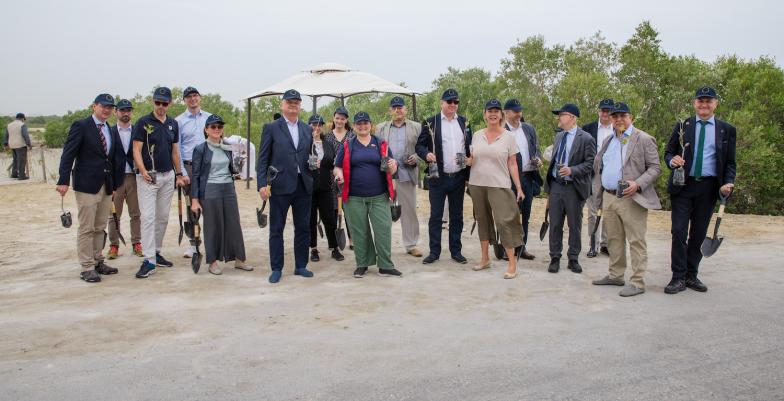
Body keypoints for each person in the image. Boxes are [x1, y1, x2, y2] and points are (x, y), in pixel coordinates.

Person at [663, 86, 736, 294]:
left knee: (699, 233)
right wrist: (672, 160)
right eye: (700, 100)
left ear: (715, 104)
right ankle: (677, 277)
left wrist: (728, 181)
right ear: (695, 103)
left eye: (708, 101)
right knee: (678, 231)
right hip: (683, 186)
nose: (704, 104)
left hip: (709, 188)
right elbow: (668, 152)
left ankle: (691, 274)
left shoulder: (727, 130)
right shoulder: (682, 125)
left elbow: (730, 162)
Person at [590, 102, 662, 297]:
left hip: (632, 197)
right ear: (611, 119)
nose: (619, 119)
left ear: (631, 117)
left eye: (623, 116)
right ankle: (616, 275)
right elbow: (600, 168)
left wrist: (637, 184)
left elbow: (655, 168)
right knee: (613, 239)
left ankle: (637, 282)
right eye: (615, 116)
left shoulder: (644, 139)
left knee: (636, 240)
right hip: (609, 196)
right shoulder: (608, 140)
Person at [55, 94, 124, 282]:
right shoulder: (81, 126)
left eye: (110, 107)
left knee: (100, 226)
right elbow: (68, 154)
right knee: (87, 227)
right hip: (86, 184)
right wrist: (63, 180)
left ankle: (98, 259)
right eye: (103, 106)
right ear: (94, 106)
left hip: (106, 184)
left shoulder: (110, 129)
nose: (107, 110)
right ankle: (86, 267)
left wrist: (115, 184)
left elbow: (112, 159)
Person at [334, 111, 401, 278]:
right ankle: (362, 264)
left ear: (370, 125)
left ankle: (385, 265)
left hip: (379, 196)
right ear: (354, 126)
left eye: (365, 123)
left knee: (383, 230)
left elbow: (392, 169)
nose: (362, 126)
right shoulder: (348, 144)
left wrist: (394, 165)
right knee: (359, 231)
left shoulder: (381, 144)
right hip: (354, 197)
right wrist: (339, 174)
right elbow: (337, 166)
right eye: (359, 123)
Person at [257, 89, 314, 284]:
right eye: (289, 102)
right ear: (282, 105)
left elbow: (310, 156)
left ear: (300, 106)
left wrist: (315, 164)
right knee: (276, 229)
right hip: (279, 186)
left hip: (303, 185)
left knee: (303, 227)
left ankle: (300, 265)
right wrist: (261, 184)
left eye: (297, 102)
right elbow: (262, 159)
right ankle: (276, 268)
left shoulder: (307, 129)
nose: (293, 105)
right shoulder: (271, 128)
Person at [131, 87, 187, 278]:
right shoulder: (143, 122)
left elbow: (175, 151)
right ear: (153, 102)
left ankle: (156, 252)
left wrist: (179, 173)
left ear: (169, 103)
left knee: (162, 217)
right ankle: (148, 260)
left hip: (167, 176)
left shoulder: (173, 124)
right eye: (158, 103)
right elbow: (136, 150)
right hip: (148, 177)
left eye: (165, 103)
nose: (161, 106)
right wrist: (143, 170)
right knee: (148, 217)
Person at [467, 99, 525, 279]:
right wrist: (468, 162)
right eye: (489, 111)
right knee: (482, 221)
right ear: (484, 114)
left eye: (496, 111)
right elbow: (473, 159)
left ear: (501, 115)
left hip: (500, 185)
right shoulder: (476, 135)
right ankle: (485, 259)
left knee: (504, 222)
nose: (492, 114)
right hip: (477, 184)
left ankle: (512, 263)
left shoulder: (509, 137)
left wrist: (518, 187)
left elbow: (513, 163)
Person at [190, 114, 253, 275]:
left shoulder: (228, 146)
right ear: (206, 130)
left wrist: (239, 163)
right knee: (213, 226)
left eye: (219, 127)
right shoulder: (200, 149)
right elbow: (195, 176)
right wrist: (195, 200)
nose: (217, 129)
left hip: (228, 188)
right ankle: (213, 262)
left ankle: (239, 259)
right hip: (209, 189)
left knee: (234, 223)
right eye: (213, 127)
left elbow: (233, 169)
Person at [416, 88, 471, 265]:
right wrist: (426, 155)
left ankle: (456, 251)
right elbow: (420, 146)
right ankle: (434, 252)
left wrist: (468, 168)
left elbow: (469, 148)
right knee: (436, 216)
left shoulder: (464, 122)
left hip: (458, 176)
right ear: (442, 103)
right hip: (437, 177)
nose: (453, 105)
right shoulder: (431, 122)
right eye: (449, 102)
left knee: (457, 216)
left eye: (456, 102)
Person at [544, 103, 596, 274]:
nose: (559, 117)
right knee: (555, 224)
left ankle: (573, 258)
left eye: (562, 114)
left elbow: (590, 164)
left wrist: (572, 170)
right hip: (557, 186)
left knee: (575, 225)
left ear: (573, 118)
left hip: (574, 187)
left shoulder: (586, 138)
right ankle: (555, 257)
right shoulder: (559, 136)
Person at [375, 96, 423, 257]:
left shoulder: (416, 127)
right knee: (383, 211)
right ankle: (382, 246)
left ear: (405, 109)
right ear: (390, 110)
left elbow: (423, 148)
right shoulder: (380, 128)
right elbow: (375, 148)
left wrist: (416, 157)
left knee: (409, 211)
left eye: (400, 107)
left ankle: (411, 245)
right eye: (394, 107)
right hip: (386, 175)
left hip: (407, 173)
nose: (398, 110)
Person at [503, 98, 542, 260]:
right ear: (506, 113)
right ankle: (508, 250)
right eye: (515, 111)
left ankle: (522, 247)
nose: (519, 114)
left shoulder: (529, 129)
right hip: (508, 179)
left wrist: (538, 159)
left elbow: (536, 149)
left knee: (525, 214)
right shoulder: (501, 131)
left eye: (520, 111)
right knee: (510, 216)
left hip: (528, 177)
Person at [176, 86, 211, 258]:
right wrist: (181, 173)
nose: (192, 99)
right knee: (192, 208)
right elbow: (176, 149)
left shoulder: (209, 118)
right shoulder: (179, 121)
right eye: (188, 96)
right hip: (189, 166)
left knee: (210, 204)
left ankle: (212, 242)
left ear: (200, 97)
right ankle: (194, 244)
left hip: (208, 166)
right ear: (184, 100)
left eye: (195, 95)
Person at [107, 99, 143, 259]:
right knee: (114, 215)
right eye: (122, 110)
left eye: (128, 110)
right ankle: (114, 245)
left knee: (136, 213)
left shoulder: (138, 131)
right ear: (116, 112)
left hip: (135, 177)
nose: (126, 113)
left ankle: (137, 242)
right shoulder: (109, 131)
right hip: (116, 179)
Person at [308, 114, 343, 262]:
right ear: (309, 126)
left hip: (325, 186)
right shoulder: (305, 143)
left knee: (329, 217)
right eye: (313, 125)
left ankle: (334, 247)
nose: (317, 127)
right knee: (310, 219)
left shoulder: (327, 143)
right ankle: (313, 249)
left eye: (319, 125)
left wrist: (337, 173)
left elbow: (332, 164)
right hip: (308, 187)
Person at [582, 98, 615, 257]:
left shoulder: (620, 129)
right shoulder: (588, 128)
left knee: (609, 210)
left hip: (612, 174)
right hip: (593, 174)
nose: (605, 114)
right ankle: (593, 245)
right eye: (603, 110)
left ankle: (606, 244)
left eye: (608, 111)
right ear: (599, 111)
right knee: (593, 211)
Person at [323, 106, 355, 249]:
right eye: (337, 118)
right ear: (334, 118)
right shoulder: (327, 136)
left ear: (346, 120)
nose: (340, 121)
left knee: (350, 209)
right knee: (334, 209)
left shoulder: (352, 135)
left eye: (342, 118)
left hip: (349, 176)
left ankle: (352, 239)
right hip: (331, 178)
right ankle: (335, 240)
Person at [4, 113, 32, 180]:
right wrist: (29, 144)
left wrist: (5, 144)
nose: (23, 120)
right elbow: (25, 135)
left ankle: (14, 174)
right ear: (22, 118)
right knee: (22, 160)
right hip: (20, 145)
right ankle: (22, 175)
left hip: (12, 145)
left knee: (15, 159)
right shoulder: (22, 125)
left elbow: (6, 135)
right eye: (23, 119)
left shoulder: (9, 125)